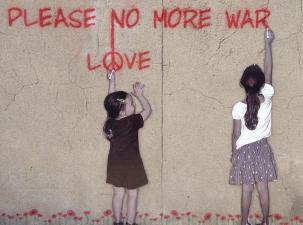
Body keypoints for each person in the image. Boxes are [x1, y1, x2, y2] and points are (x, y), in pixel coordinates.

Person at [229, 28, 277, 225]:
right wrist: (268, 43)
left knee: (247, 189)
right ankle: (265, 221)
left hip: (244, 151)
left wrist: (234, 154)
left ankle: (243, 222)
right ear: (261, 83)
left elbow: (235, 134)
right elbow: (268, 70)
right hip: (262, 148)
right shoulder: (266, 97)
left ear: (243, 84)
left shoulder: (238, 107)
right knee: (263, 188)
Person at [103, 70, 152, 225]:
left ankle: (117, 222)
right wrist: (139, 94)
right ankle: (130, 223)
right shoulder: (132, 122)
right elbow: (148, 110)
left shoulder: (110, 121)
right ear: (123, 111)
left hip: (115, 164)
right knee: (132, 195)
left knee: (117, 194)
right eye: (131, 103)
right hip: (132, 165)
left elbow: (112, 101)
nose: (134, 104)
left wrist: (112, 81)